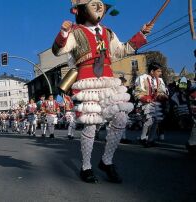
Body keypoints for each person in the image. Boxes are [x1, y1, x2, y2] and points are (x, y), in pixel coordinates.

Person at [52, 0, 153, 183]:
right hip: (87, 81)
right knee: (91, 123)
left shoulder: (108, 32)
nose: (99, 8)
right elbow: (58, 51)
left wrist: (141, 34)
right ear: (81, 9)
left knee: (121, 117)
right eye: (93, 4)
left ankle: (107, 161)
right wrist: (63, 32)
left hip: (108, 80)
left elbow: (121, 51)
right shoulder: (76, 31)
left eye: (101, 4)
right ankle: (86, 167)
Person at [134, 62, 168, 147]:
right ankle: (143, 138)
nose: (160, 73)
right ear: (152, 71)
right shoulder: (142, 78)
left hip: (156, 103)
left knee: (156, 121)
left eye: (160, 71)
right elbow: (138, 91)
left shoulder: (159, 80)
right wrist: (144, 98)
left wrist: (162, 96)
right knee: (149, 120)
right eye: (158, 71)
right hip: (145, 102)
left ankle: (150, 140)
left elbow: (162, 91)